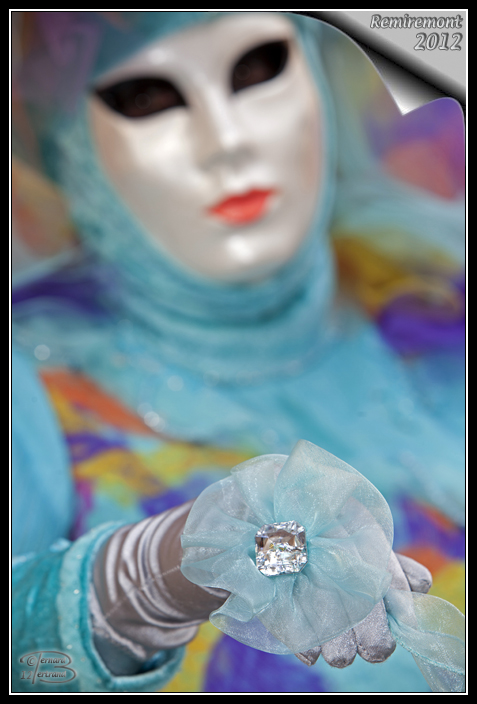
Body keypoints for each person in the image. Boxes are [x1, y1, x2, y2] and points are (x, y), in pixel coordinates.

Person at [11, 11, 465, 693]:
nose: (226, 143)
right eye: (147, 97)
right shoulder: (32, 393)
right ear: (63, 135)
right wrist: (152, 576)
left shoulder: (437, 297)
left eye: (256, 69)